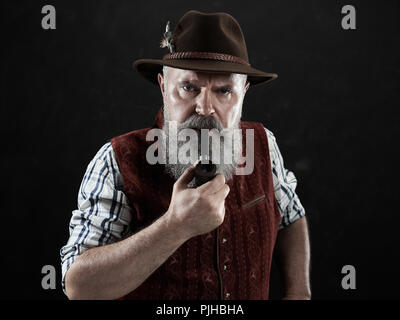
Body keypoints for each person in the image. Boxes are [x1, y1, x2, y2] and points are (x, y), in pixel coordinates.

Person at [60, 10, 311, 300]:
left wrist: (299, 293)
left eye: (224, 91)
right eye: (189, 87)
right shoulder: (116, 161)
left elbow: (291, 217)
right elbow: (79, 286)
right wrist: (174, 227)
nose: (205, 107)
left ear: (244, 91)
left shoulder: (263, 145)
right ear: (164, 87)